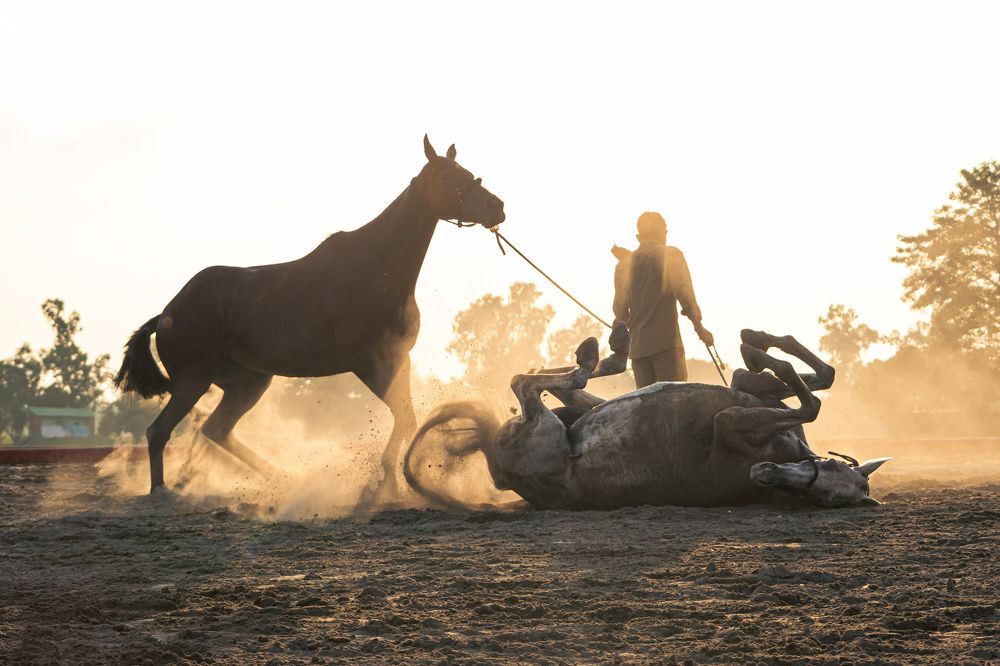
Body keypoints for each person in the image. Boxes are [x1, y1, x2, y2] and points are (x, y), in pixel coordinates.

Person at [612, 211, 713, 388]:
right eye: (665, 231)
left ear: (638, 236)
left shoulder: (623, 265)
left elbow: (619, 311)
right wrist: (700, 329)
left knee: (647, 409)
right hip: (667, 347)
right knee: (675, 404)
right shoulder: (671, 256)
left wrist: (634, 326)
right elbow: (687, 298)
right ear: (661, 232)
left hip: (639, 352)